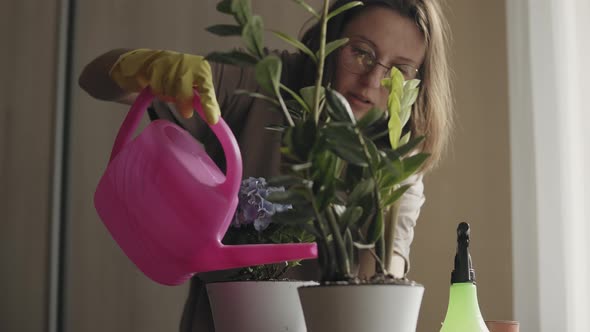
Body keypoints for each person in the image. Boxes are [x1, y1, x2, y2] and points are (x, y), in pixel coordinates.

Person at [78, 0, 452, 330]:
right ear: (332, 40)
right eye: (362, 53)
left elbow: (382, 292)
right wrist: (144, 66)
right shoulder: (268, 84)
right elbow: (95, 79)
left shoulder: (396, 163)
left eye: (400, 70)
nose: (373, 81)